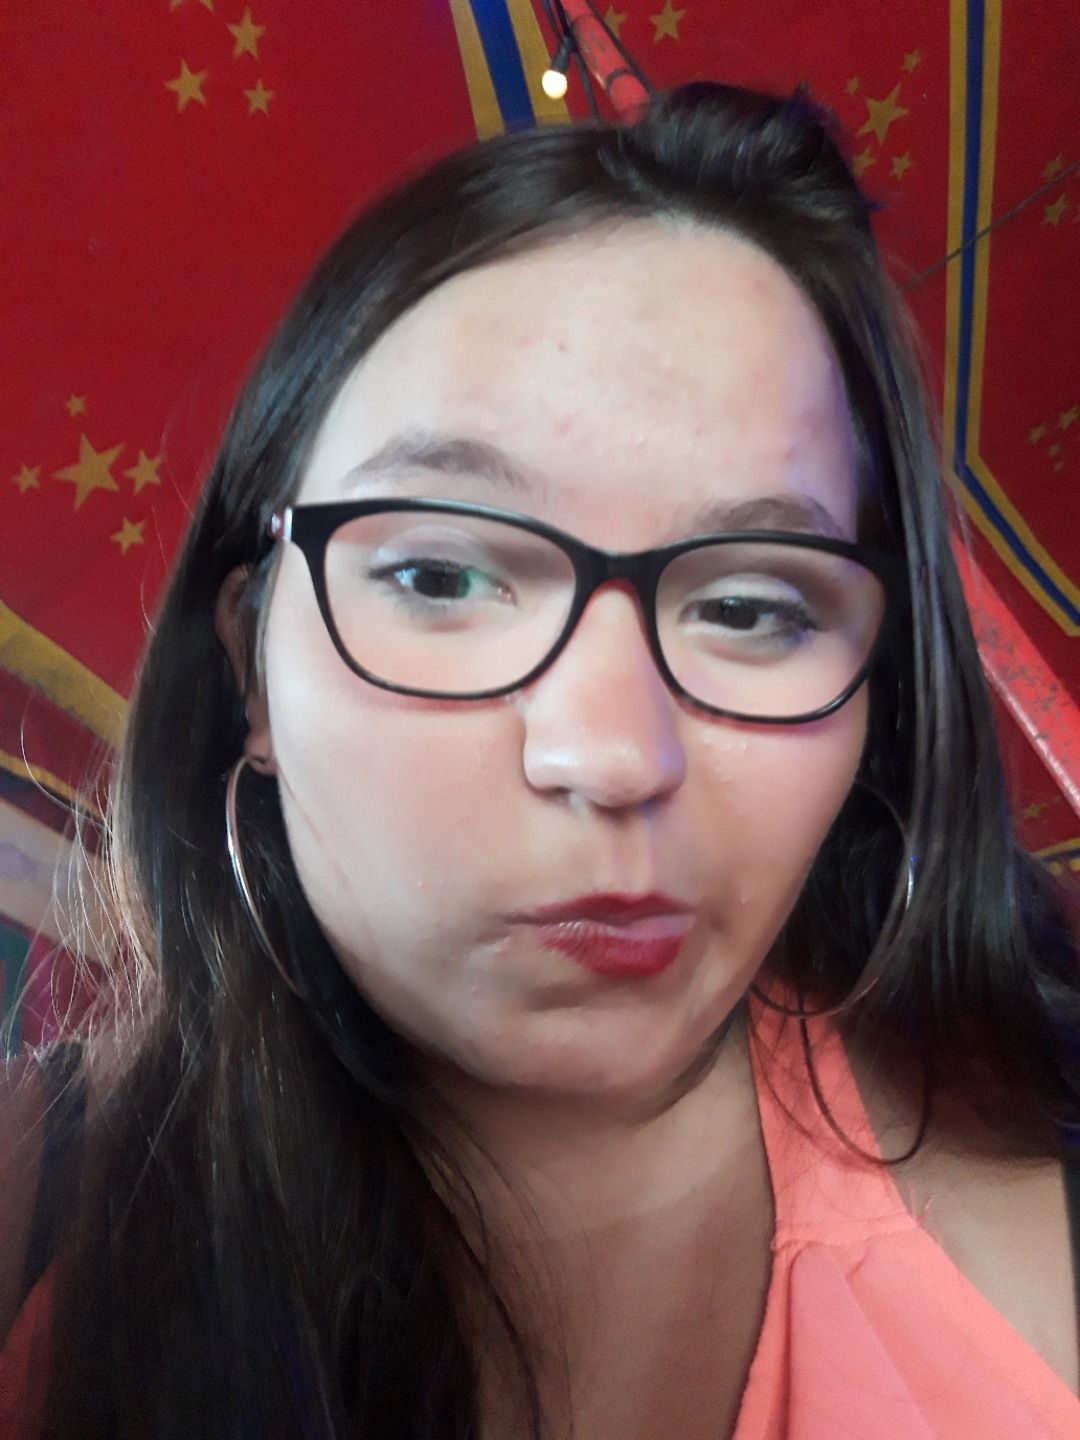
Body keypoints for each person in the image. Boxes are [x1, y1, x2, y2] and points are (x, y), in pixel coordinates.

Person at [1, 81, 1079, 1440]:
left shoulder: (1037, 1160)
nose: (612, 756)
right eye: (442, 576)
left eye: (752, 607)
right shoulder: (35, 1219)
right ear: (251, 669)